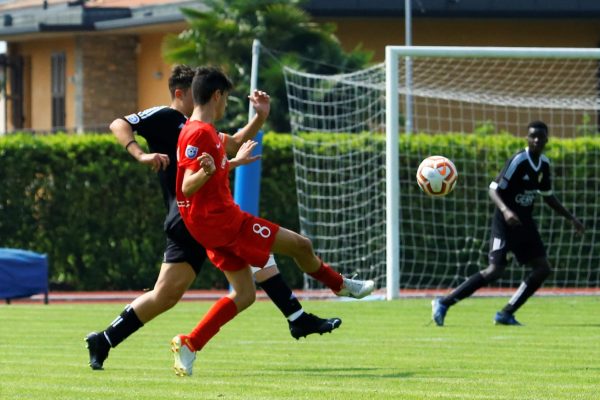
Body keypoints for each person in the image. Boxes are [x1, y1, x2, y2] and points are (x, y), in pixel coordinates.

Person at [85, 65, 343, 371]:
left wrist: (256, 123)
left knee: (171, 294)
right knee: (259, 253)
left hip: (193, 215)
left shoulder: (196, 128)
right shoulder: (170, 118)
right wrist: (140, 154)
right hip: (191, 216)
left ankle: (106, 339)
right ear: (183, 94)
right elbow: (119, 123)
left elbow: (228, 145)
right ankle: (299, 315)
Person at [170, 66, 374, 376]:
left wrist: (260, 117)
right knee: (300, 245)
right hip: (225, 223)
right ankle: (341, 286)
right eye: (226, 99)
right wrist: (207, 171)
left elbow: (235, 142)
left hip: (211, 228)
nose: (226, 105)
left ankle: (190, 343)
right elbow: (187, 184)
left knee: (245, 294)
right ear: (217, 95)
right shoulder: (198, 132)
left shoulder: (199, 129)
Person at [431, 121, 585, 327]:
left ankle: (506, 313)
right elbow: (493, 189)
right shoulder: (518, 161)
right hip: (504, 223)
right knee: (495, 270)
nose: (537, 140)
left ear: (547, 140)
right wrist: (506, 211)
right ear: (527, 139)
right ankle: (443, 303)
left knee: (542, 268)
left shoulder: (544, 164)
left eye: (541, 136)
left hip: (525, 224)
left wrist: (571, 218)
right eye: (533, 136)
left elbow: (548, 196)